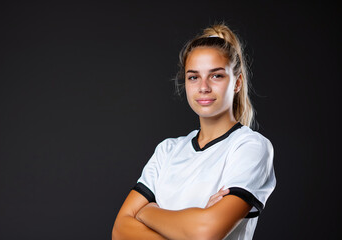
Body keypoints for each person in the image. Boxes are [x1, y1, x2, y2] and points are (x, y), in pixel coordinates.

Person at [112, 23, 276, 240]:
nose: (203, 87)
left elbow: (205, 232)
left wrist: (147, 212)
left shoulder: (249, 147)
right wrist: (194, 220)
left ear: (237, 82)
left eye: (216, 76)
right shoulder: (168, 150)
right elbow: (120, 230)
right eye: (193, 77)